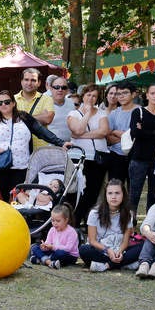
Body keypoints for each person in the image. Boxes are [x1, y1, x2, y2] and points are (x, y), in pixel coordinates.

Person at [0, 90, 68, 198]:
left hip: (22, 167)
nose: (3, 105)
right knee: (0, 198)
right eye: (0, 103)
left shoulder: (24, 117)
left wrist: (61, 143)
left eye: (7, 102)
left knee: (20, 198)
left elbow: (42, 132)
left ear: (13, 103)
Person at [67, 84, 110, 225]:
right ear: (83, 96)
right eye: (88, 95)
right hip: (80, 158)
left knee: (94, 191)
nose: (91, 98)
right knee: (80, 190)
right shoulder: (73, 114)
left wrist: (80, 136)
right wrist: (87, 114)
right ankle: (76, 219)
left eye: (94, 96)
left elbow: (104, 132)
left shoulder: (102, 113)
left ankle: (88, 220)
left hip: (98, 157)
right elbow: (78, 129)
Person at [128, 83, 155, 215]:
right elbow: (135, 133)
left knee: (154, 194)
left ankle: (150, 225)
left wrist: (145, 131)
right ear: (147, 95)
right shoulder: (138, 112)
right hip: (138, 158)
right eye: (152, 93)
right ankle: (130, 224)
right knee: (134, 194)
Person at [78, 179, 140, 272]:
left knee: (144, 246)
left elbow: (125, 242)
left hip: (119, 250)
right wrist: (108, 250)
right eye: (110, 193)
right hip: (101, 250)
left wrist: (119, 252)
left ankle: (107, 265)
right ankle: (123, 264)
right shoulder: (94, 213)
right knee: (84, 250)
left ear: (123, 195)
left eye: (117, 193)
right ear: (105, 195)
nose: (113, 197)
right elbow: (92, 241)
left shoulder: (128, 214)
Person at [107, 82, 139, 187]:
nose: (121, 96)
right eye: (119, 94)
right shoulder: (114, 113)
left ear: (133, 94)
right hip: (116, 155)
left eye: (125, 93)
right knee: (114, 187)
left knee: (133, 190)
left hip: (135, 156)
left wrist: (116, 132)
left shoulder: (141, 112)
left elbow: (138, 136)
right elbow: (109, 137)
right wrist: (127, 135)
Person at [28, 204, 79, 269]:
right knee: (34, 247)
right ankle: (49, 262)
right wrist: (45, 246)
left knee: (60, 253)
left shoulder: (72, 232)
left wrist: (52, 247)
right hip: (53, 252)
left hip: (69, 255)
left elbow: (68, 249)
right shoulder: (52, 229)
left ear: (66, 220)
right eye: (52, 220)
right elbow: (48, 242)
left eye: (58, 221)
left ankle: (41, 259)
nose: (54, 223)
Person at [15, 68, 54, 148]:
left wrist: (20, 118)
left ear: (39, 83)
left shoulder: (47, 99)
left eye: (33, 80)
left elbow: (47, 119)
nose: (29, 83)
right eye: (26, 80)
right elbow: (8, 120)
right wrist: (39, 117)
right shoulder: (12, 100)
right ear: (21, 81)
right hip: (19, 148)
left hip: (40, 148)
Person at [46, 76, 73, 142]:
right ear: (51, 89)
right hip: (49, 146)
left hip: (69, 145)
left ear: (67, 90)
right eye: (57, 87)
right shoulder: (43, 103)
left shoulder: (71, 103)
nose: (60, 90)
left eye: (63, 87)